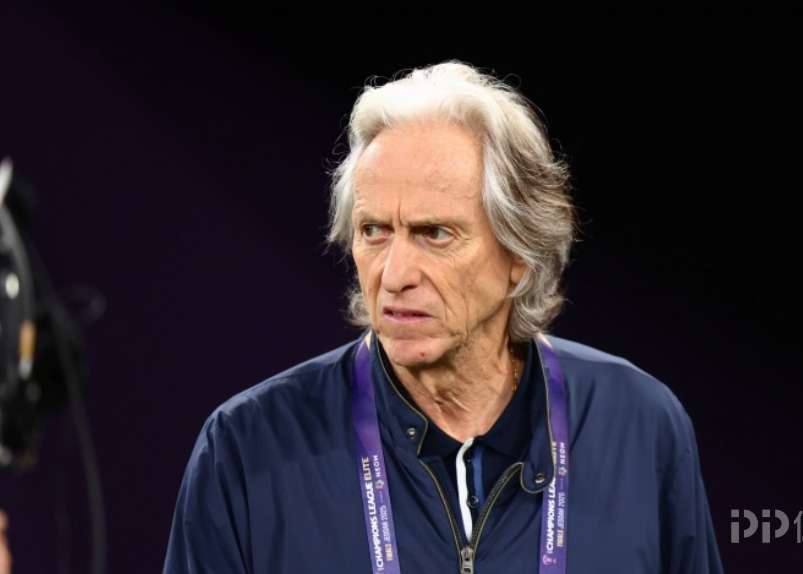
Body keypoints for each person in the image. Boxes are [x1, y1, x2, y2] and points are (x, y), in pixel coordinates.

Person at [162, 61, 724, 573]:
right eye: (374, 231)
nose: (394, 273)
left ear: (519, 253)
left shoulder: (641, 425)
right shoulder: (247, 448)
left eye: (434, 234)